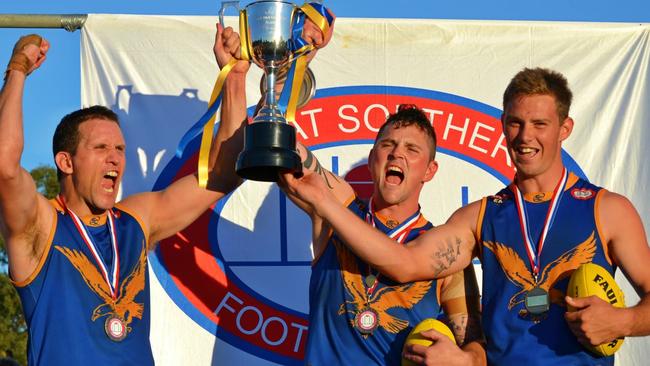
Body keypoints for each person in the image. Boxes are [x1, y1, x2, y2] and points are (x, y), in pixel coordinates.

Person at [281, 67, 650, 365]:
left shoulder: (607, 209)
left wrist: (625, 321)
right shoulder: (479, 217)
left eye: (540, 124)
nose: (525, 136)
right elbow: (405, 264)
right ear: (503, 125)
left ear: (564, 129)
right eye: (516, 123)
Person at [217, 22, 486, 362]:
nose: (397, 153)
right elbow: (276, 138)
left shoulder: (445, 251)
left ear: (429, 171)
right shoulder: (335, 205)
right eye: (387, 144)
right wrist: (298, 62)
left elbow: (475, 347)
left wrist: (462, 360)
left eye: (412, 150)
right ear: (374, 158)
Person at [0, 27, 247, 365]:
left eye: (119, 148)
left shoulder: (136, 221)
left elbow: (224, 173)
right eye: (100, 148)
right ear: (66, 161)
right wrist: (16, 70)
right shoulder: (40, 225)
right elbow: (4, 165)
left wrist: (233, 77)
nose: (115, 157)